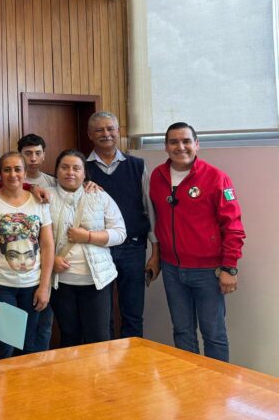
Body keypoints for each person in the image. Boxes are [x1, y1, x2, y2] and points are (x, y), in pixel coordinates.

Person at [148, 122, 245, 362]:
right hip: (172, 270)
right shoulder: (157, 177)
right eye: (174, 142)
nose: (180, 147)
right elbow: (158, 220)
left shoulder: (216, 177)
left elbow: (233, 226)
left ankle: (217, 390)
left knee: (213, 334)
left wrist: (229, 267)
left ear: (196, 144)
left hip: (208, 272)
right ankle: (190, 388)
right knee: (182, 332)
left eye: (186, 141)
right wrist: (158, 256)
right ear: (166, 146)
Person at [85, 111, 159, 339]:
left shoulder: (137, 166)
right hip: (98, 250)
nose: (106, 134)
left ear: (119, 132)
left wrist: (155, 252)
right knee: (100, 316)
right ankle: (106, 369)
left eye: (110, 129)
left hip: (133, 249)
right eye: (99, 130)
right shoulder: (81, 168)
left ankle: (133, 367)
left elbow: (150, 209)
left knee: (133, 314)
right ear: (90, 134)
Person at [0, 152, 54, 358]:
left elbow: (47, 245)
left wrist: (44, 287)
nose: (13, 174)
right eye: (7, 170)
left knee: (28, 348)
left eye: (18, 169)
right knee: (4, 348)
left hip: (32, 286)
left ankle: (23, 391)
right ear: (0, 173)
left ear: (25, 172)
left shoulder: (39, 202)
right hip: (1, 285)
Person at [49, 150, 126, 347]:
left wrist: (89, 236)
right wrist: (50, 260)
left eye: (76, 168)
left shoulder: (99, 195)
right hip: (61, 283)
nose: (70, 172)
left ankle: (99, 379)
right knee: (69, 337)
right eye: (64, 167)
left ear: (85, 173)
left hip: (96, 282)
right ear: (56, 171)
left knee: (99, 339)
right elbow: (34, 238)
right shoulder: (45, 197)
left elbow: (120, 232)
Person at [17, 133, 56, 352]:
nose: (33, 158)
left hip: (47, 263)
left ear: (44, 155)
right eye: (28, 153)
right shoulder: (10, 179)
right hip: (17, 263)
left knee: (44, 325)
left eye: (38, 153)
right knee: (17, 329)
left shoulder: (53, 182)